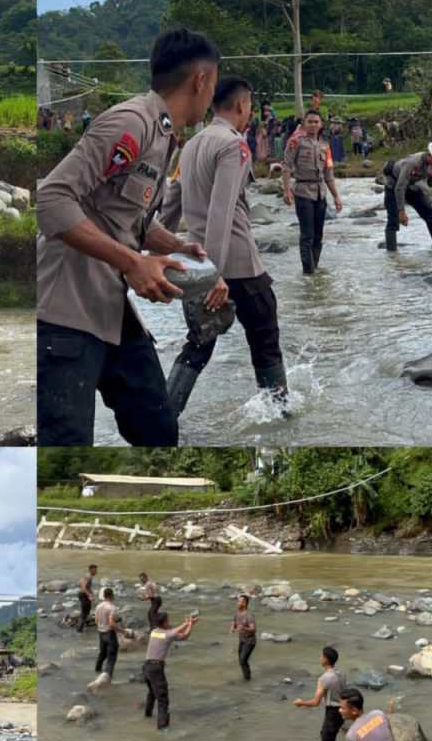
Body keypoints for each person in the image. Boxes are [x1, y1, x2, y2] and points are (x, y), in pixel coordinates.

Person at [36, 28, 219, 446]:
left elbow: (122, 217)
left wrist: (173, 246)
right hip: (66, 313)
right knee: (66, 443)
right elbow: (52, 199)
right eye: (214, 85)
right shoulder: (131, 123)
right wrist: (132, 262)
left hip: (111, 308)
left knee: (157, 428)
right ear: (201, 80)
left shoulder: (163, 132)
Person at [166, 76, 288, 415]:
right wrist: (214, 273)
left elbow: (170, 205)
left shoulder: (191, 146)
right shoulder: (235, 145)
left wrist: (156, 253)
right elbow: (221, 211)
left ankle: (163, 419)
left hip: (196, 262)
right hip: (236, 266)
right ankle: (280, 416)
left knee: (199, 344)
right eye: (249, 106)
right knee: (266, 341)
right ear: (241, 106)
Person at [282, 109, 343, 274]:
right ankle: (308, 272)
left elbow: (329, 173)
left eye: (316, 122)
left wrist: (336, 196)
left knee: (318, 235)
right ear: (304, 123)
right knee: (307, 235)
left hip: (320, 193)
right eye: (310, 121)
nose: (313, 125)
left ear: (321, 124)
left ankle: (315, 268)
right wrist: (286, 190)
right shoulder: (296, 141)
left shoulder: (325, 145)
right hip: (302, 192)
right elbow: (286, 166)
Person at [382, 140, 432, 251]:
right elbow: (399, 187)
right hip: (394, 186)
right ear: (429, 155)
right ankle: (392, 257)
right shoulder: (412, 163)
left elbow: (431, 185)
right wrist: (401, 211)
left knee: (431, 215)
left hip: (411, 186)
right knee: (393, 220)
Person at [142, 611, 198, 730]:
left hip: (146, 667)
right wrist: (188, 623)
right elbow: (178, 634)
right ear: (164, 622)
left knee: (152, 693)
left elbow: (178, 634)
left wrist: (188, 624)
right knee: (163, 700)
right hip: (156, 669)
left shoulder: (154, 632)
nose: (169, 622)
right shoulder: (168, 635)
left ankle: (147, 716)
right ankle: (162, 729)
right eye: (168, 620)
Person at [293, 645, 348, 741]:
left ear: (326, 660)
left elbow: (315, 702)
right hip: (343, 710)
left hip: (332, 712)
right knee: (326, 734)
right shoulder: (342, 674)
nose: (320, 658)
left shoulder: (324, 678)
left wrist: (301, 703)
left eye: (321, 656)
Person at [94, 587, 120, 682]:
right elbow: (112, 624)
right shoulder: (112, 607)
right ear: (111, 595)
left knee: (102, 654)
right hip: (109, 634)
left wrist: (101, 627)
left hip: (101, 633)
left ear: (104, 596)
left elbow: (96, 621)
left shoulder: (98, 606)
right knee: (111, 658)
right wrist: (122, 631)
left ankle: (97, 671)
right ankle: (107, 678)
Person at [229, 594, 257, 681]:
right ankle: (246, 678)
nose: (237, 603)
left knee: (243, 660)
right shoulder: (237, 613)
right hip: (242, 640)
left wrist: (244, 628)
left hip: (250, 641)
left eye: (239, 601)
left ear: (244, 603)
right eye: (238, 601)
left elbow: (253, 629)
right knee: (241, 661)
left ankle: (247, 679)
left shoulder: (249, 615)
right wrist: (232, 628)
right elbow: (234, 622)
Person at [76, 564, 97, 633]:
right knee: (84, 613)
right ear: (91, 570)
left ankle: (80, 628)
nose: (96, 571)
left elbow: (79, 584)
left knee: (85, 612)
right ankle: (79, 630)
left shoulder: (86, 576)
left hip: (82, 595)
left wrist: (89, 591)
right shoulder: (88, 577)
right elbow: (84, 587)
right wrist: (89, 595)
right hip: (84, 595)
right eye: (95, 570)